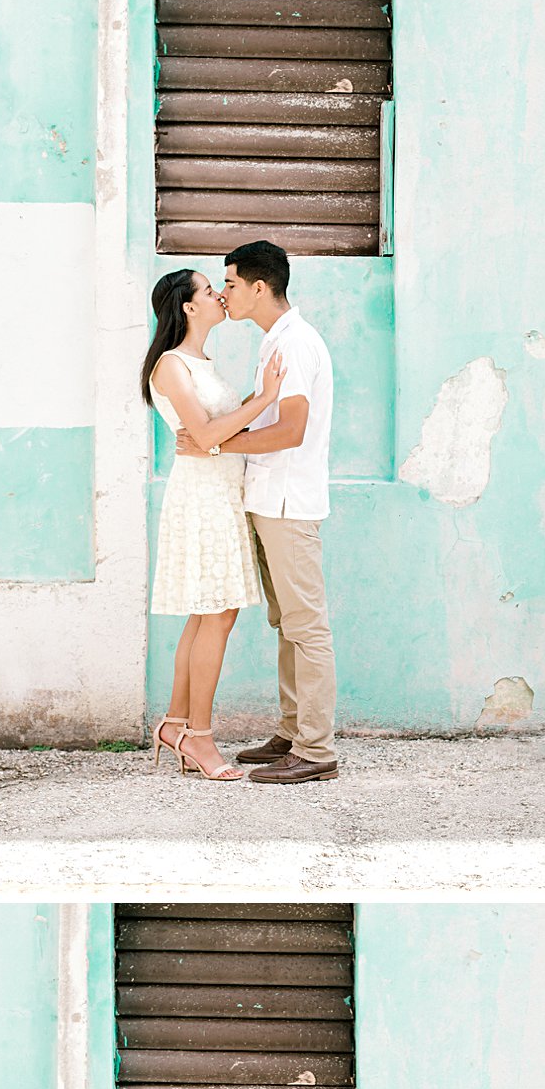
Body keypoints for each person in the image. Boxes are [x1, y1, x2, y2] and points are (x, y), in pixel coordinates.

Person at [175, 239, 337, 783]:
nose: (225, 294)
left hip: (290, 504)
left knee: (306, 627)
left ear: (259, 288)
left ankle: (316, 750)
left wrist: (215, 445)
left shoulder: (294, 345)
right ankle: (293, 733)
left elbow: (291, 431)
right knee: (286, 623)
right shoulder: (274, 343)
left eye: (232, 284)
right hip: (268, 502)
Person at [143, 267, 285, 782]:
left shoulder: (203, 361)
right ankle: (198, 736)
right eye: (210, 290)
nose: (220, 296)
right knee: (217, 614)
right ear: (188, 306)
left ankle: (177, 726)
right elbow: (203, 435)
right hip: (202, 497)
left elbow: (211, 434)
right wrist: (264, 399)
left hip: (223, 491)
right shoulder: (170, 366)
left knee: (207, 615)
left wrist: (232, 422)